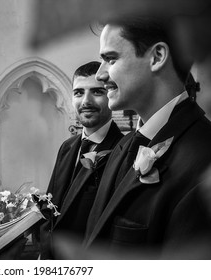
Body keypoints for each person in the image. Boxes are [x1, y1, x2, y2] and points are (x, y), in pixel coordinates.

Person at [84, 16, 211, 258]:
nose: (100, 74)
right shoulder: (124, 146)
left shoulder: (203, 163)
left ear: (157, 57)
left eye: (110, 59)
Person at [39, 61, 123, 259]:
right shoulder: (67, 147)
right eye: (78, 93)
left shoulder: (124, 151)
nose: (86, 101)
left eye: (97, 92)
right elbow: (52, 206)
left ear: (111, 94)